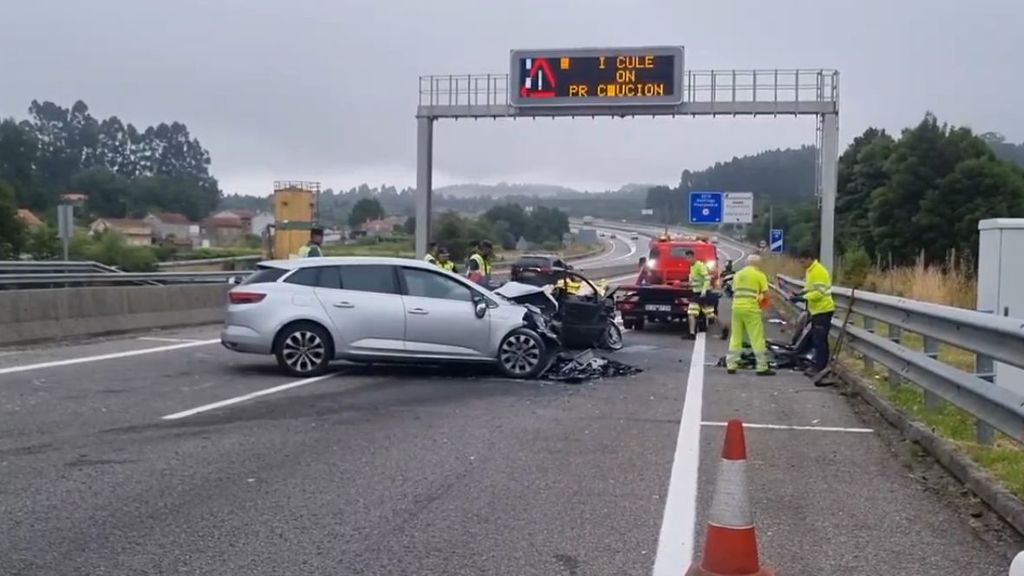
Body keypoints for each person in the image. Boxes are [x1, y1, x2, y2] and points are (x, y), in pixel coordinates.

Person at [726, 254, 775, 376]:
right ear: (758, 264)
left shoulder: (738, 275)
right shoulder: (759, 275)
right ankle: (762, 366)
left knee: (736, 337)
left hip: (736, 308)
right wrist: (763, 304)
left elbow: (733, 290)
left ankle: (731, 364)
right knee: (756, 338)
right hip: (751, 309)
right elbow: (766, 294)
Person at [791, 249, 836, 380]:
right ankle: (813, 363)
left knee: (820, 340)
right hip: (816, 310)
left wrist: (803, 298)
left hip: (823, 309)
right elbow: (810, 289)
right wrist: (801, 294)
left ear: (810, 258)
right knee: (813, 339)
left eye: (803, 261)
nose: (802, 264)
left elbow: (819, 292)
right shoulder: (810, 271)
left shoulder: (819, 271)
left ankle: (820, 366)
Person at [684, 250, 714, 339]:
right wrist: (690, 284)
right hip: (696, 293)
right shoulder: (692, 266)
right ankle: (692, 334)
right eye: (687, 258)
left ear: (693, 257)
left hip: (703, 294)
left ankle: (724, 328)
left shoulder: (700, 265)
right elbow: (695, 280)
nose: (688, 259)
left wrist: (704, 291)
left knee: (710, 314)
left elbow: (707, 278)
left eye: (689, 257)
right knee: (691, 313)